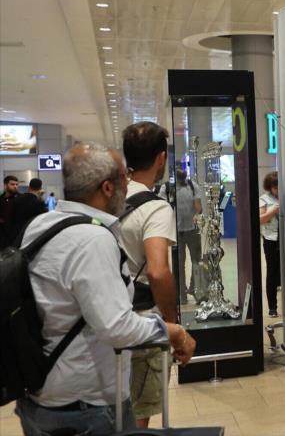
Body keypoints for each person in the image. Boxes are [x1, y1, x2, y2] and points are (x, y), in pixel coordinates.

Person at [14, 142, 195, 436]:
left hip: (39, 397)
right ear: (108, 188)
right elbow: (117, 328)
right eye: (124, 177)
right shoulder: (92, 239)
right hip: (86, 407)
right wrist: (172, 330)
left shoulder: (41, 226)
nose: (129, 184)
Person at [118, 122, 178, 429]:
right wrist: (171, 322)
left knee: (116, 407)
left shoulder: (108, 198)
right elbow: (157, 271)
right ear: (160, 159)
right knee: (140, 410)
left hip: (107, 316)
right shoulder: (155, 208)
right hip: (142, 319)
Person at [160, 168, 203, 303]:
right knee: (179, 264)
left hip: (192, 230)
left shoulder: (192, 186)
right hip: (176, 232)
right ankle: (181, 294)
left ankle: (195, 289)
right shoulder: (166, 188)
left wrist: (197, 212)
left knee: (196, 261)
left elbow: (198, 207)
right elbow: (162, 208)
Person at [259, 171, 281, 317]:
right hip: (271, 240)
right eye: (275, 187)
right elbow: (260, 219)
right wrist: (273, 211)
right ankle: (272, 307)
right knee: (272, 273)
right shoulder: (264, 199)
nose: (277, 190)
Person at [1, 174, 19, 247]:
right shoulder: (1, 199)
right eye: (12, 184)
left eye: (16, 184)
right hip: (2, 238)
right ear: (5, 185)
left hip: (16, 238)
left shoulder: (21, 199)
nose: (15, 186)